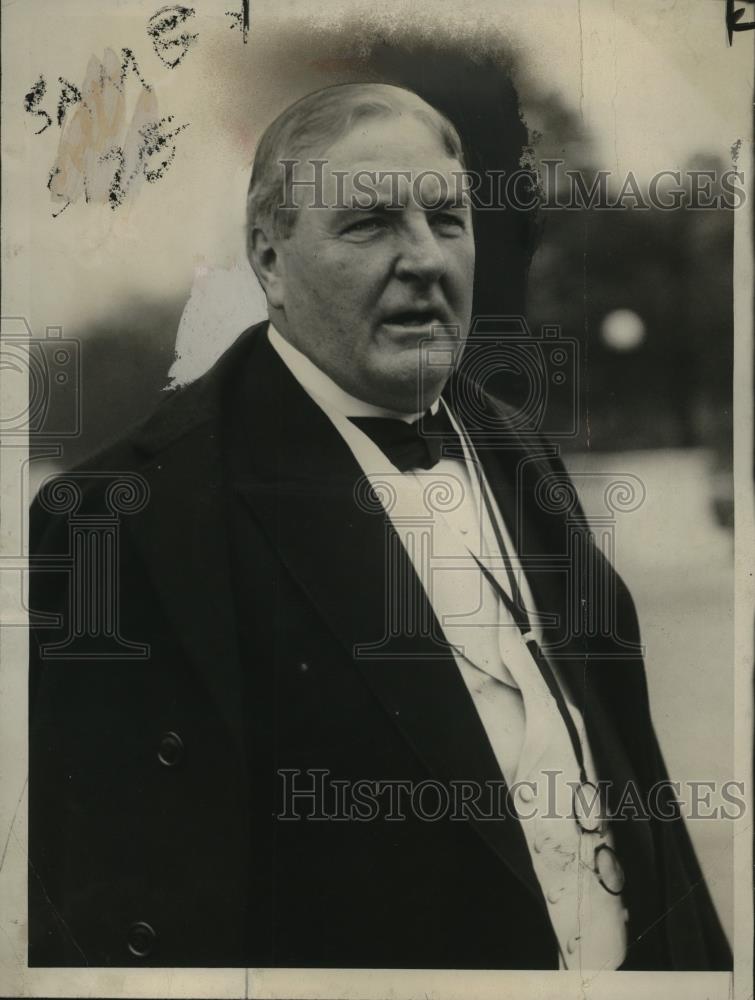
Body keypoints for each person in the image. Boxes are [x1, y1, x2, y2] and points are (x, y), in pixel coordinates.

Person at [28, 83, 731, 971]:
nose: (425, 260)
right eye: (367, 225)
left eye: (447, 219)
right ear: (268, 259)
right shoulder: (124, 521)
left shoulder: (519, 452)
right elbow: (118, 922)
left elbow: (635, 787)